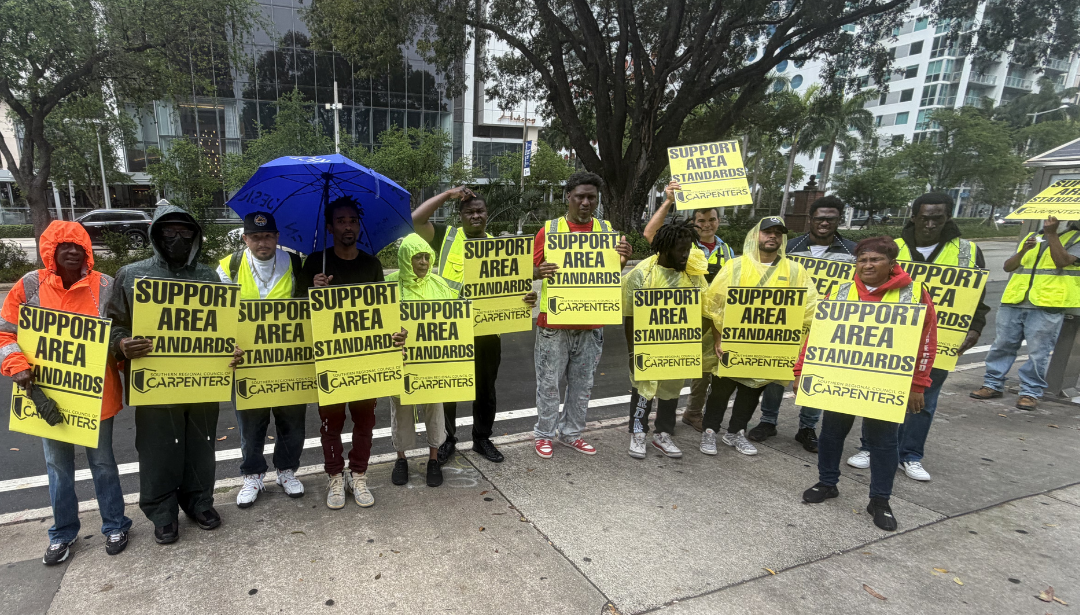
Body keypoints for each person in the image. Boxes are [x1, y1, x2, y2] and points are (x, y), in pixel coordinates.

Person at [107, 201, 243, 545]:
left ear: (196, 237)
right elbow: (110, 326)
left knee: (201, 444)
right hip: (155, 382)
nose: (178, 239)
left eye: (185, 233)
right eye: (170, 232)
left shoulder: (208, 277)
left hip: (201, 380)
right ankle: (162, 511)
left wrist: (232, 349)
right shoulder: (131, 273)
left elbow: (223, 327)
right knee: (158, 449)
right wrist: (122, 345)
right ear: (156, 235)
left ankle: (199, 502)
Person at [0, 221, 131, 564]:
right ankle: (62, 533)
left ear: (87, 251)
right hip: (46, 395)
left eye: (79, 246)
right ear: (50, 251)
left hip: (97, 394)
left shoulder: (105, 285)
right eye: (64, 246)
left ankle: (116, 524)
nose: (72, 252)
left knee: (103, 464)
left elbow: (121, 329)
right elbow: (5, 333)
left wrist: (125, 360)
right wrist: (16, 365)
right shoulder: (30, 285)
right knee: (58, 467)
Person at [845, 192, 988, 481]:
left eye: (938, 218)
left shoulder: (967, 251)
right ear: (913, 217)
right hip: (889, 337)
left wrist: (975, 328)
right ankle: (870, 448)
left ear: (948, 218)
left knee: (923, 400)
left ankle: (910, 455)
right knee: (877, 396)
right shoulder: (892, 248)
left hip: (941, 337)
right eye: (925, 218)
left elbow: (977, 297)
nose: (931, 224)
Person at [800, 236, 937, 532]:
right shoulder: (842, 291)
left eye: (875, 259)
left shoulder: (914, 294)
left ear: (891, 264)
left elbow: (927, 341)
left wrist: (918, 385)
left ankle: (879, 499)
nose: (867, 265)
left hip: (886, 382)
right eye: (862, 260)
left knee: (884, 443)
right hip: (842, 378)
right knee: (831, 434)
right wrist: (802, 369)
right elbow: (818, 334)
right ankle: (827, 482)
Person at [410, 187, 537, 465]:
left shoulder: (500, 248)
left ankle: (482, 439)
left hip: (487, 331)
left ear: (487, 215)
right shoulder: (447, 237)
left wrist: (526, 298)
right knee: (450, 388)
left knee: (485, 389)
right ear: (461, 215)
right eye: (470, 212)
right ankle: (447, 441)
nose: (476, 216)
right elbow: (416, 220)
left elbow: (515, 288)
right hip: (450, 330)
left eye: (480, 211)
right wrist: (448, 194)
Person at [297, 195, 407, 510]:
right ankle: (334, 476)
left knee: (365, 422)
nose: (348, 226)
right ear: (330, 226)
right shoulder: (315, 263)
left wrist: (396, 332)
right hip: (330, 359)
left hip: (366, 360)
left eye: (353, 221)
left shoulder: (371, 264)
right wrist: (311, 291)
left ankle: (358, 474)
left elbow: (384, 311)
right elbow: (294, 313)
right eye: (341, 221)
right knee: (331, 423)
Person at [532, 171, 633, 458]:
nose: (586, 202)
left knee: (582, 384)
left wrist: (623, 258)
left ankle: (572, 433)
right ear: (568, 198)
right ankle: (544, 434)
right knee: (549, 384)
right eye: (580, 197)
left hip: (591, 324)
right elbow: (529, 269)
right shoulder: (549, 231)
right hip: (554, 325)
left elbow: (610, 273)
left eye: (591, 197)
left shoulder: (605, 231)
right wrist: (538, 271)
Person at [700, 217, 818, 457]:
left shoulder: (795, 271)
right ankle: (709, 431)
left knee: (750, 392)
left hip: (768, 347)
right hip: (733, 344)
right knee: (721, 390)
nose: (772, 236)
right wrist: (719, 340)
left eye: (777, 233)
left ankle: (736, 432)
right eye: (767, 232)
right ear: (756, 236)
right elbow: (714, 306)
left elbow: (807, 311)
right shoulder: (736, 266)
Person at [749, 196, 857, 453]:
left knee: (816, 373)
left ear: (838, 220)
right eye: (819, 217)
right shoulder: (790, 247)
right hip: (788, 320)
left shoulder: (853, 251)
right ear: (810, 219)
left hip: (830, 323)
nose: (824, 223)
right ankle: (768, 421)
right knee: (776, 374)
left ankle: (807, 427)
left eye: (830, 218)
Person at [216, 212, 307, 507]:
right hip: (246, 362)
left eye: (267, 236)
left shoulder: (294, 263)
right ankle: (252, 475)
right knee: (250, 424)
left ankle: (286, 471)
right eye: (255, 237)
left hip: (286, 359)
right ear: (245, 239)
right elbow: (217, 314)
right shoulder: (228, 266)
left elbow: (305, 307)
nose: (262, 242)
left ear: (277, 237)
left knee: (292, 422)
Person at [643, 180, 735, 433]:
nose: (707, 225)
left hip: (713, 320)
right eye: (701, 221)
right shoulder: (684, 243)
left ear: (718, 221)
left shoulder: (727, 250)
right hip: (682, 317)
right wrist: (670, 200)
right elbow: (651, 235)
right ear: (693, 224)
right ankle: (651, 422)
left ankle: (693, 413)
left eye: (712, 220)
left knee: (708, 373)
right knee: (672, 370)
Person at [971, 216, 1080, 410]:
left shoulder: (1076, 239)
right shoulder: (1033, 236)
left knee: (1039, 352)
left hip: (1048, 302)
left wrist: (1052, 234)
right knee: (1002, 345)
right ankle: (992, 384)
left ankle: (1030, 392)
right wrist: (1023, 250)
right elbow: (1008, 267)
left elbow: (1062, 261)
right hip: (1015, 299)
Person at [623, 219, 708, 459]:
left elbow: (703, 310)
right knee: (643, 389)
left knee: (671, 390)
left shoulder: (692, 275)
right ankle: (638, 432)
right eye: (681, 251)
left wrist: (692, 343)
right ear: (664, 248)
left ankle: (663, 434)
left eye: (689, 249)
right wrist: (632, 353)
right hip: (648, 347)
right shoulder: (641, 275)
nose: (686, 255)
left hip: (678, 346)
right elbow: (629, 316)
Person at [384, 233, 457, 487]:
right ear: (406, 259)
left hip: (432, 362)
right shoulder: (389, 285)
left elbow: (457, 318)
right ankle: (401, 458)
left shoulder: (440, 285)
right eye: (418, 257)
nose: (424, 262)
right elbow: (380, 321)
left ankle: (434, 458)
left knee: (434, 408)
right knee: (401, 410)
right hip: (401, 361)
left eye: (427, 256)